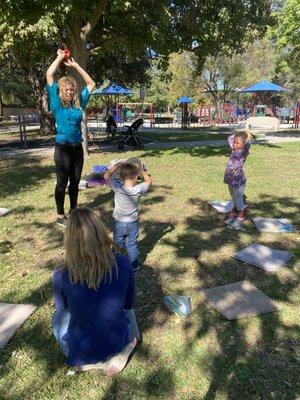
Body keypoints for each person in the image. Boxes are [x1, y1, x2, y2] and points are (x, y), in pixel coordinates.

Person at [52, 208, 139, 375]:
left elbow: (62, 309)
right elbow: (129, 304)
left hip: (81, 348)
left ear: (69, 240)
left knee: (57, 318)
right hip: (116, 339)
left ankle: (89, 362)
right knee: (128, 313)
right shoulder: (123, 262)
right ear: (100, 232)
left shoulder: (60, 274)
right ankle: (128, 345)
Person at [46, 49, 96, 226]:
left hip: (77, 149)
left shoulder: (78, 103)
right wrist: (60, 57)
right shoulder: (56, 103)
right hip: (62, 148)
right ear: (61, 90)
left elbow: (91, 84)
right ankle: (60, 215)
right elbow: (49, 74)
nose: (69, 91)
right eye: (66, 89)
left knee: (75, 183)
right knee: (62, 182)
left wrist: (76, 66)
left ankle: (73, 212)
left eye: (71, 89)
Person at [103, 162, 152, 273]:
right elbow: (149, 181)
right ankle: (134, 267)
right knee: (132, 244)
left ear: (121, 177)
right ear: (136, 177)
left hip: (119, 222)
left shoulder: (117, 187)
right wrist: (142, 170)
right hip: (133, 223)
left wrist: (117, 166)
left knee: (117, 244)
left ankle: (115, 266)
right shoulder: (138, 189)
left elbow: (106, 176)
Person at [224, 131, 253, 230]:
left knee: (239, 200)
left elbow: (249, 142)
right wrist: (238, 135)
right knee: (233, 197)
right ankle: (235, 214)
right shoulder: (234, 149)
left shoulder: (243, 151)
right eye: (234, 142)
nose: (234, 144)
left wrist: (246, 135)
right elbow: (230, 138)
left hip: (238, 180)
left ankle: (240, 219)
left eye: (237, 143)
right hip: (230, 179)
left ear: (243, 144)